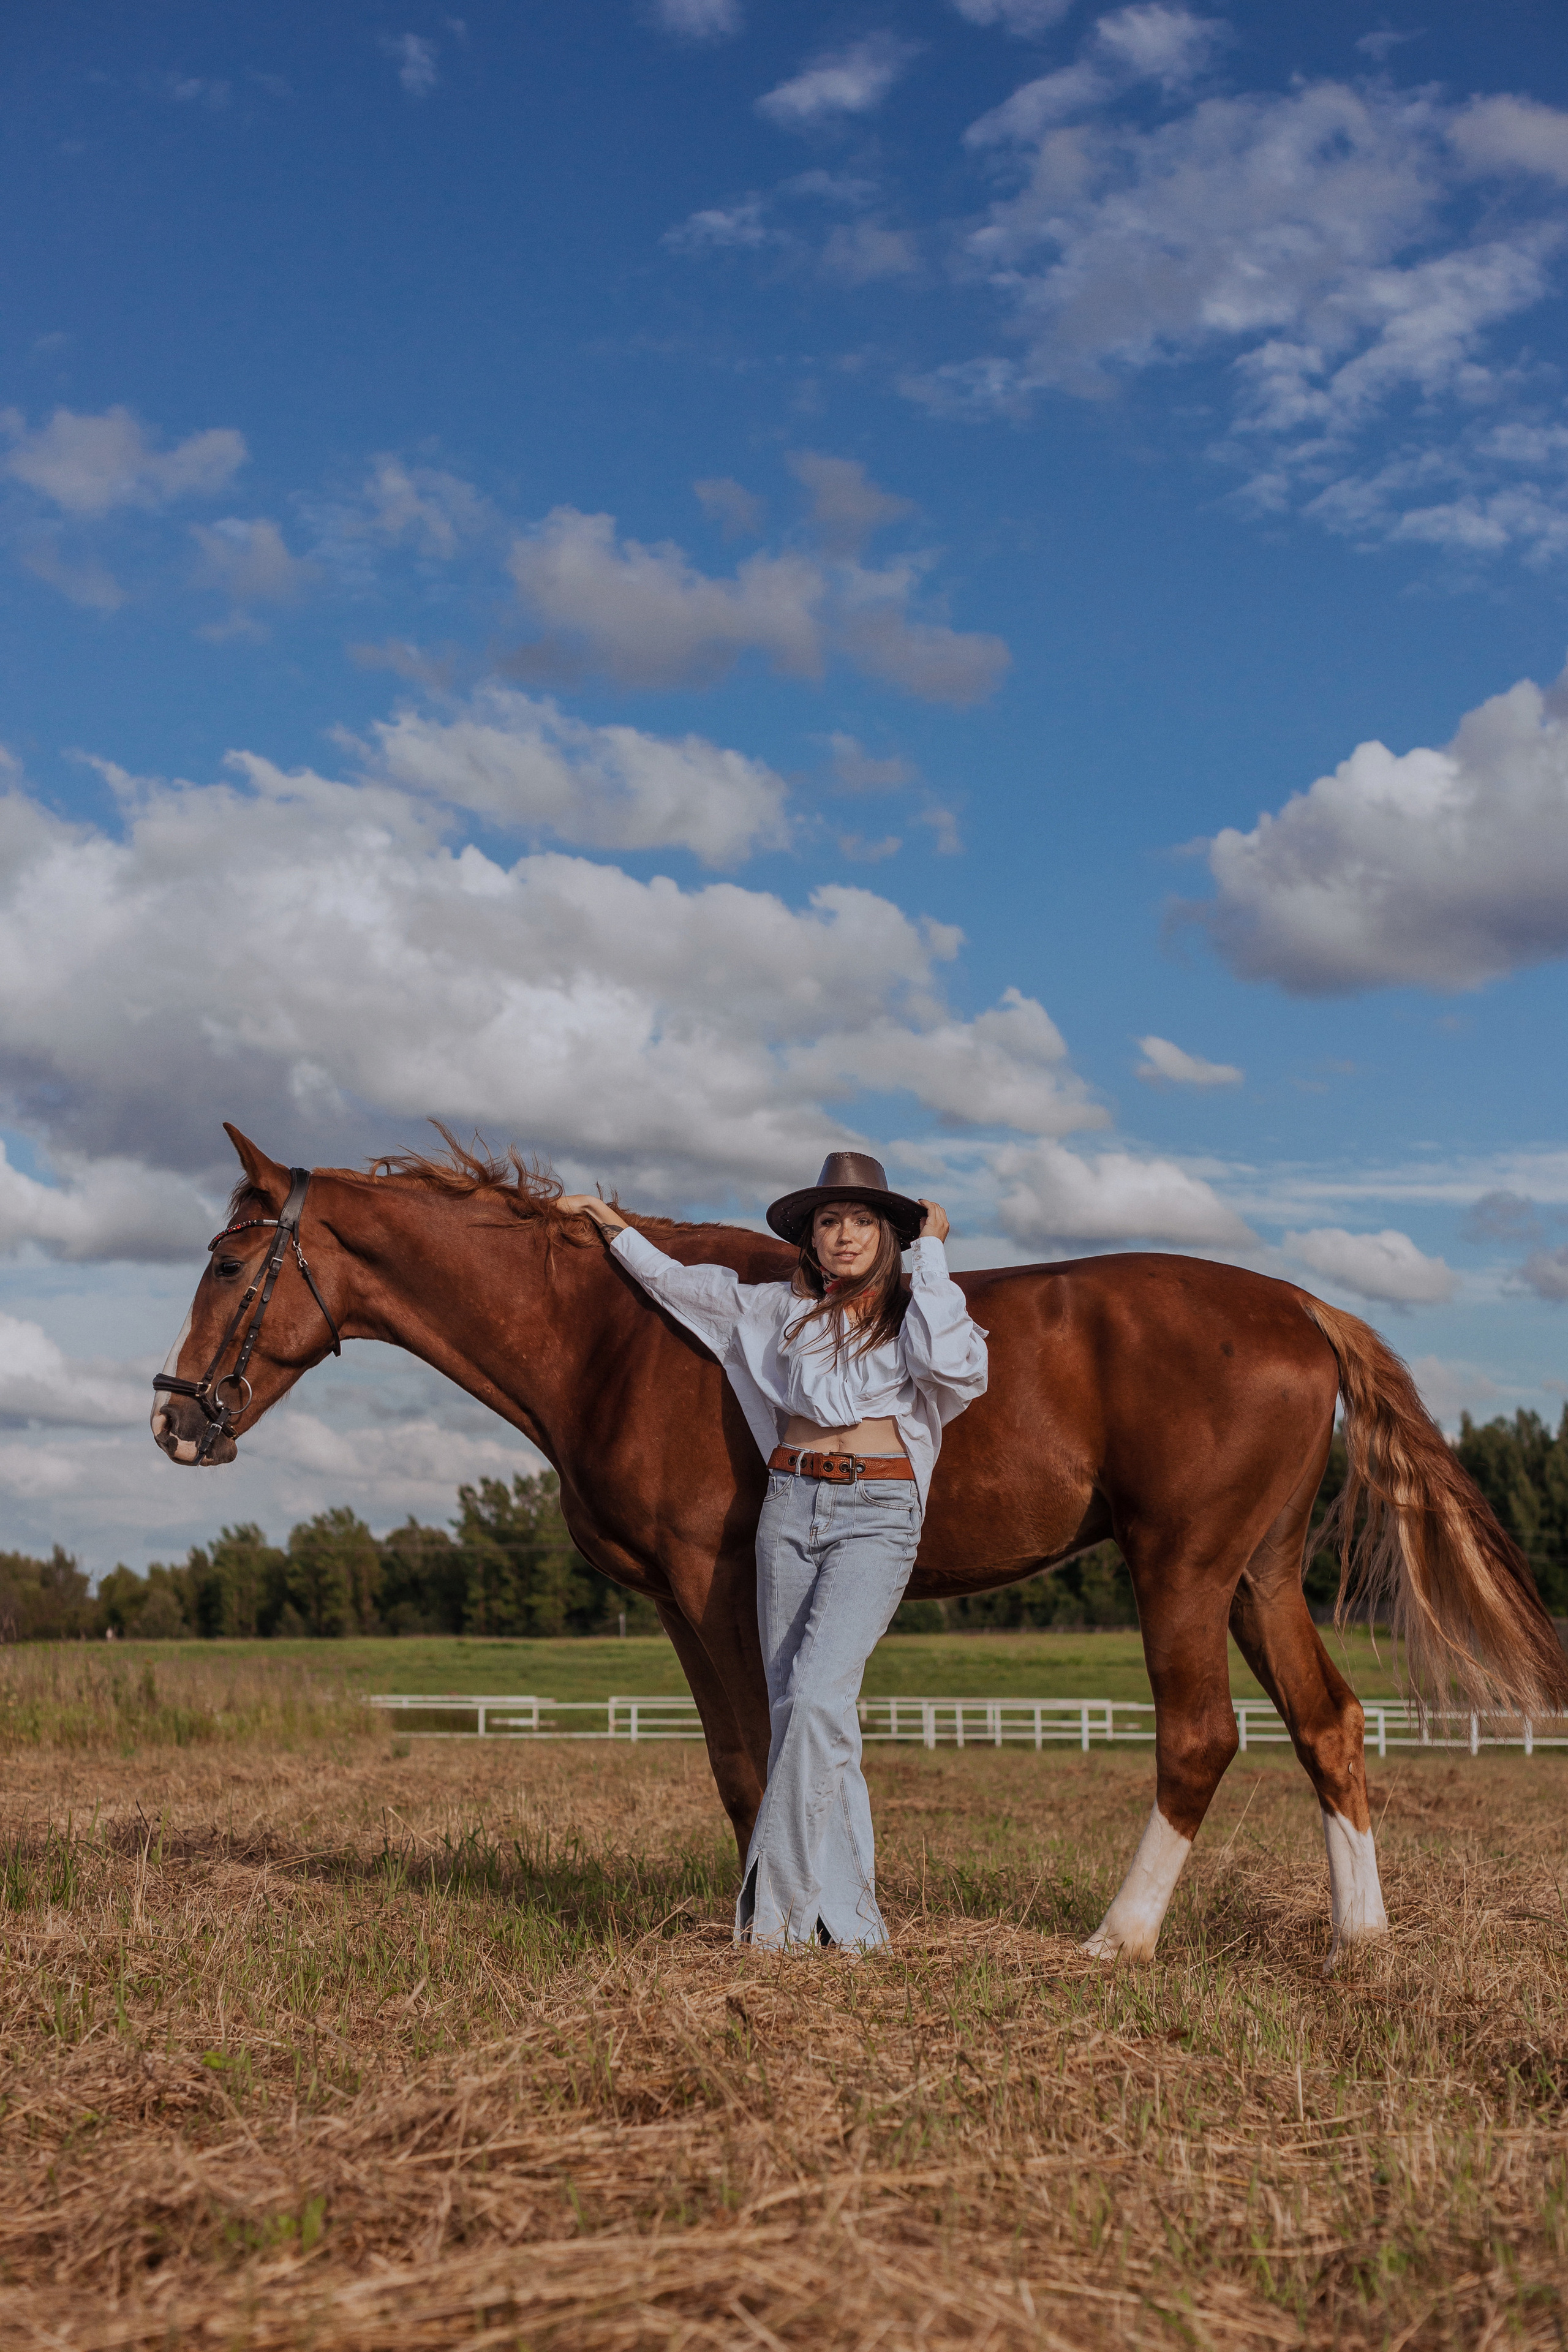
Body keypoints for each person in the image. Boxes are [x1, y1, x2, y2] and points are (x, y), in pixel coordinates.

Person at [558, 1152, 988, 1954]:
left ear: (890, 1235)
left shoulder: (916, 1306)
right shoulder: (768, 1311)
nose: (846, 1234)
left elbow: (959, 1367)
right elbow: (677, 1284)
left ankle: (774, 1926)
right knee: (803, 1711)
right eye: (830, 1221)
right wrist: (609, 1225)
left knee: (819, 1699)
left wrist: (932, 1252)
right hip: (790, 1507)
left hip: (878, 1510)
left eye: (864, 1220)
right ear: (810, 1237)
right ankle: (853, 1930)